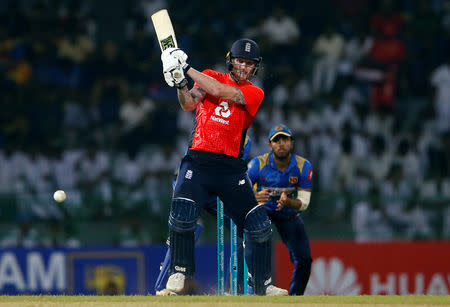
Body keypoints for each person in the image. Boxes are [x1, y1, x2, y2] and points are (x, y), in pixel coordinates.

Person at [159, 38, 287, 296]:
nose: (243, 67)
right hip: (199, 160)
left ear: (255, 68)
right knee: (183, 214)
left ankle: (262, 284)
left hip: (230, 168)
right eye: (240, 61)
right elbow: (188, 103)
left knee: (258, 224)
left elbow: (220, 92)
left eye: (249, 64)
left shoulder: (255, 91)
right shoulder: (208, 76)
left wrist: (187, 68)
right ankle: (179, 275)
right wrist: (179, 82)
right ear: (231, 60)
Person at [155, 135, 251, 295]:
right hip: (191, 181)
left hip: (218, 187)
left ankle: (233, 290)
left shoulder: (244, 139)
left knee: (242, 228)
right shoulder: (205, 129)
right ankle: (164, 287)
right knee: (187, 227)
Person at [247, 124, 313, 295]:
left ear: (291, 143)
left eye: (285, 139)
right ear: (270, 145)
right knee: (258, 242)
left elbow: (304, 203)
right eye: (276, 140)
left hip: (289, 214)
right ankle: (254, 289)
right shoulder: (257, 165)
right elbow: (240, 192)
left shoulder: (303, 166)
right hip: (264, 212)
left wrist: (288, 202)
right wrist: (254, 196)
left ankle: (294, 298)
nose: (281, 144)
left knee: (305, 260)